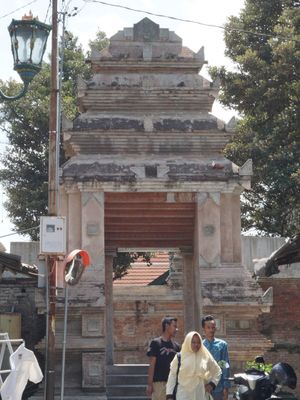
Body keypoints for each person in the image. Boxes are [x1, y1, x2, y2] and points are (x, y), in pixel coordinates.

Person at [166, 331, 221, 400]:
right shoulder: (179, 357)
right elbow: (172, 376)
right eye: (193, 342)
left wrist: (212, 384)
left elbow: (217, 371)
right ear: (188, 342)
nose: (196, 345)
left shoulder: (205, 356)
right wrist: (169, 395)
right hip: (183, 396)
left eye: (198, 342)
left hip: (200, 395)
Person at [146, 316, 180, 400]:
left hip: (172, 385)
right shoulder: (156, 343)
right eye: (174, 326)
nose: (177, 329)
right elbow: (152, 364)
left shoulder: (177, 347)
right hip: (158, 384)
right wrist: (149, 384)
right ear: (167, 326)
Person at [202, 315, 231, 400]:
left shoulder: (222, 345)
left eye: (213, 327)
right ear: (204, 329)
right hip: (204, 386)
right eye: (208, 327)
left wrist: (226, 387)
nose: (211, 330)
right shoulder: (200, 346)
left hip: (219, 387)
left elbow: (225, 365)